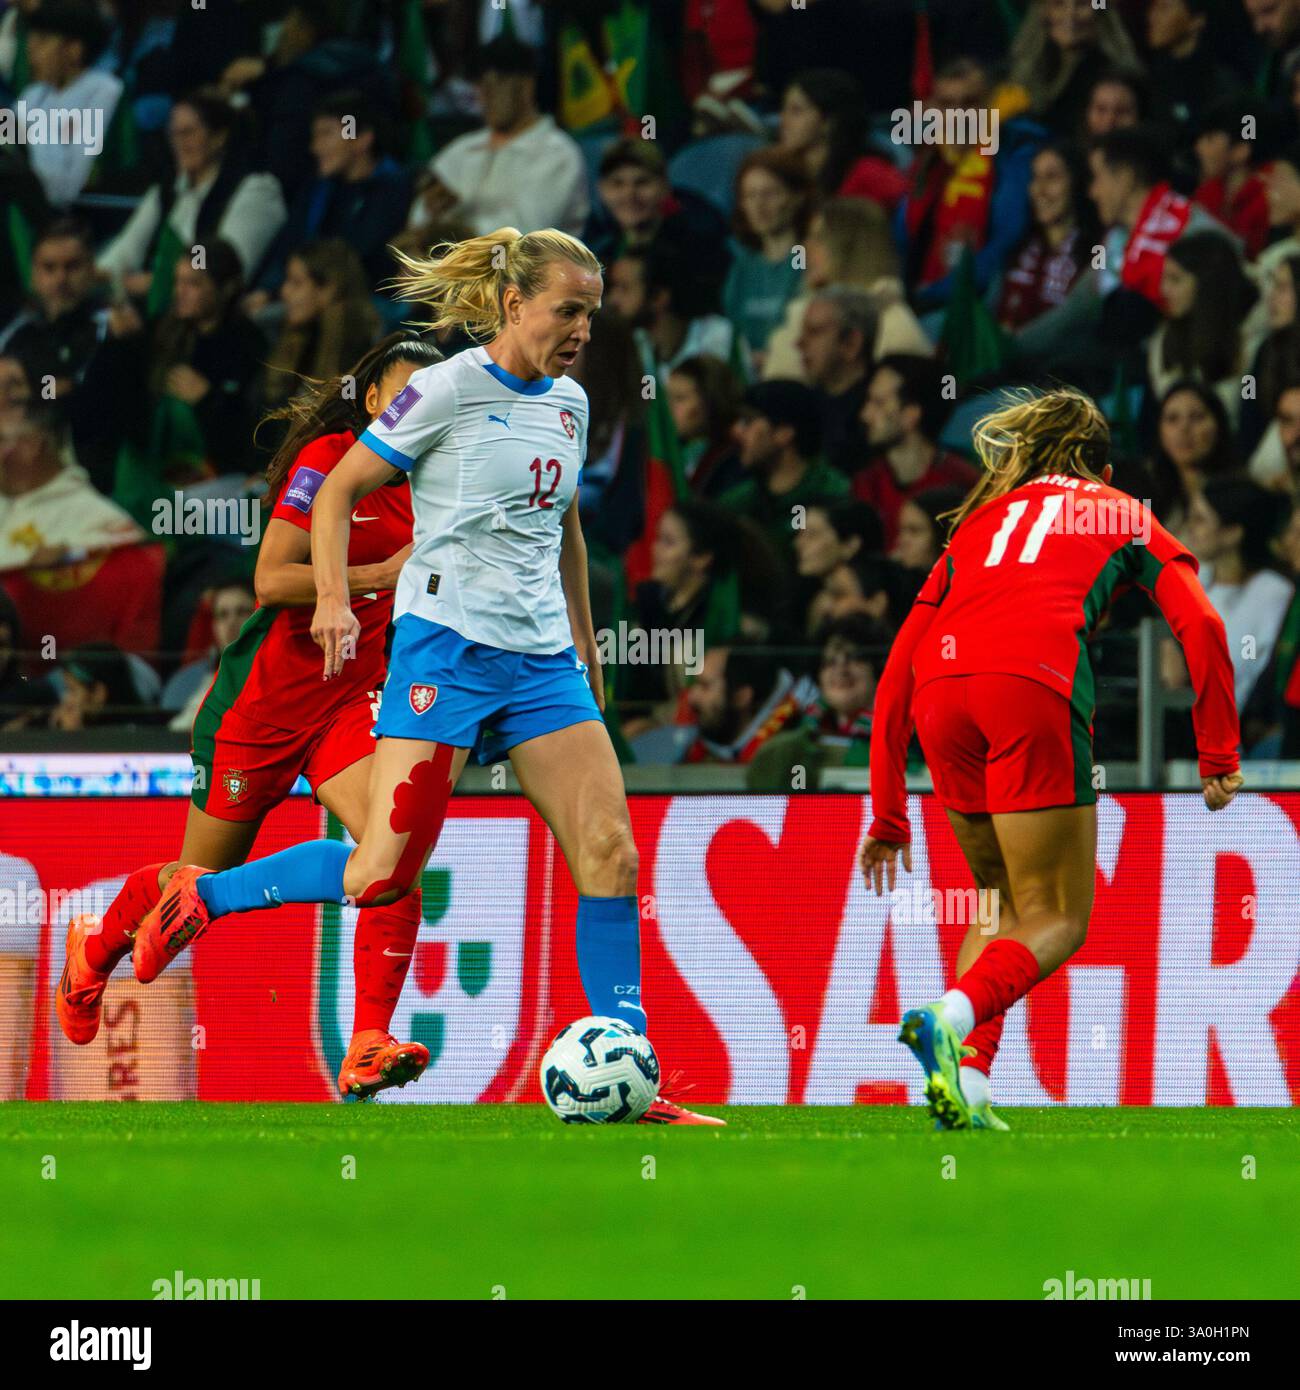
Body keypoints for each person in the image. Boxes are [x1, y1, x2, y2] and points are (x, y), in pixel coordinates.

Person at [123, 227, 719, 1125]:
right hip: (444, 651)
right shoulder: (444, 389)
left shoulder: (571, 402)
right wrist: (331, 595)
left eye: (593, 313)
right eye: (570, 310)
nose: (585, 329)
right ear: (515, 305)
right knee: (379, 875)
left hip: (542, 662)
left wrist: (589, 649)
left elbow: (568, 531)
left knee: (611, 853)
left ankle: (630, 1069)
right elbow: (337, 491)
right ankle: (204, 897)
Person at [55, 333, 439, 1101]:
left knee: (392, 865)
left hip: (349, 705)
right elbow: (269, 578)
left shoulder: (434, 483)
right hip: (260, 707)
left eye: (429, 400)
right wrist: (376, 576)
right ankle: (95, 948)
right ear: (371, 402)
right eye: (402, 396)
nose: (415, 413)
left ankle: (367, 1041)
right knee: (197, 883)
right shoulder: (330, 460)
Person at [860, 387, 1242, 1131]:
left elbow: (898, 669)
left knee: (996, 898)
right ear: (1098, 466)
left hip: (942, 696)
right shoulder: (1121, 511)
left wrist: (887, 811)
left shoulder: (977, 525)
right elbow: (1199, 618)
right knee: (1060, 917)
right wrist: (1217, 750)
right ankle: (947, 1016)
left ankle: (967, 1082)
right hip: (1030, 688)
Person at [408, 35, 587, 239]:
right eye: (480, 85)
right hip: (449, 265)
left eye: (496, 83)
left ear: (526, 86)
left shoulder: (556, 153)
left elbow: (525, 233)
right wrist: (432, 211)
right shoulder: (460, 150)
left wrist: (450, 229)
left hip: (524, 269)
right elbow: (417, 220)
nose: (485, 95)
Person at [851, 355, 976, 550]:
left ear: (910, 415)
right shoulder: (866, 483)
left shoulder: (961, 482)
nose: (865, 415)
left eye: (878, 403)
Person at [720, 378, 849, 563]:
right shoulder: (736, 504)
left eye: (747, 422)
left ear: (784, 433)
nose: (736, 431)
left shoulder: (834, 497)